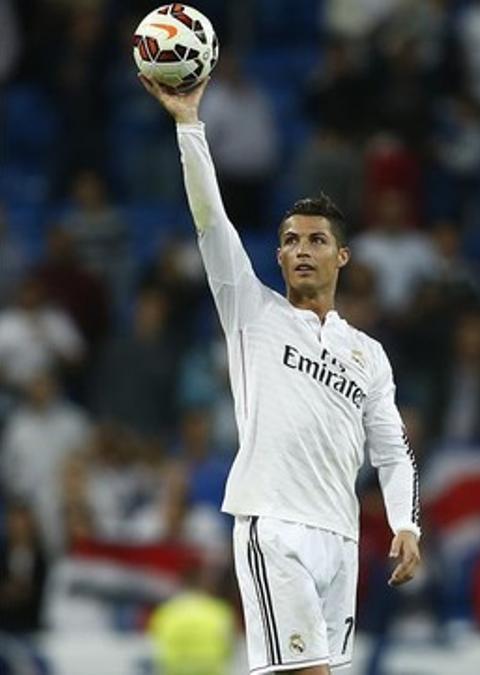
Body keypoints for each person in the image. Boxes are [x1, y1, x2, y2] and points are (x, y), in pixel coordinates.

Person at [141, 77, 421, 675]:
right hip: (276, 526)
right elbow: (212, 223)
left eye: (317, 240)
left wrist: (405, 523)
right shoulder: (253, 311)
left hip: (341, 538)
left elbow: (393, 451)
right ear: (276, 256)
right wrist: (190, 124)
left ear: (341, 256)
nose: (300, 249)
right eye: (290, 240)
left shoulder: (367, 353)